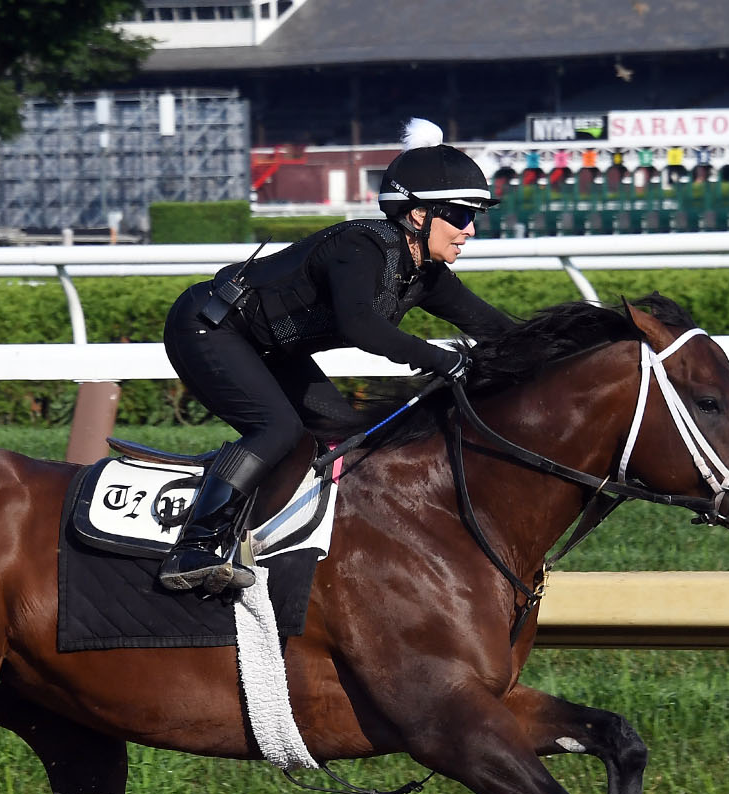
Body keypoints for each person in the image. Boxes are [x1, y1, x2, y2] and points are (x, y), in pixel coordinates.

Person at [157, 119, 518, 595]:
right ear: (417, 215)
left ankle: (280, 544)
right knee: (279, 429)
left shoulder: (425, 274)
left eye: (475, 217)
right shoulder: (360, 247)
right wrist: (440, 359)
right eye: (459, 214)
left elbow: (494, 327)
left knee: (340, 436)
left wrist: (564, 348)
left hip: (267, 346)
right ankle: (195, 548)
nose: (470, 230)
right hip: (208, 326)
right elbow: (361, 325)